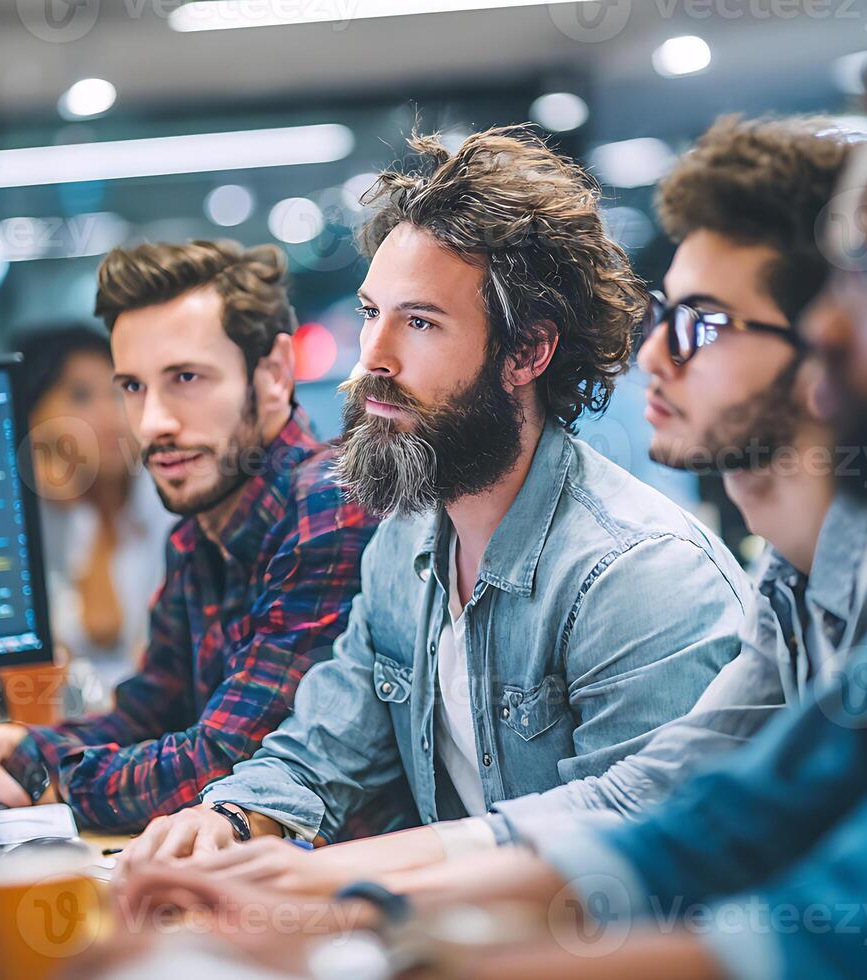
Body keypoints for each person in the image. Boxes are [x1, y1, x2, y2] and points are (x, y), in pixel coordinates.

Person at [119, 3, 867, 976]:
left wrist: (353, 944)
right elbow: (703, 822)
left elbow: (837, 933)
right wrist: (340, 912)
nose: (833, 327)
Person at [162, 115, 867, 895]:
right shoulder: (794, 589)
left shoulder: (683, 576)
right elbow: (654, 806)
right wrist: (265, 843)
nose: (655, 355)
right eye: (372, 314)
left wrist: (347, 899)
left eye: (703, 325)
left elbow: (669, 873)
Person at [116, 125, 753, 872]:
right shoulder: (405, 543)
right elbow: (321, 748)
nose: (371, 360)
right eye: (368, 313)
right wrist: (229, 815)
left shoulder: (641, 577)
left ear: (527, 352)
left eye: (418, 322)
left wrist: (333, 877)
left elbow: (629, 845)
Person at [0, 240, 381, 832]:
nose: (153, 422)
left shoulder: (328, 505)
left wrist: (50, 773)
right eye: (132, 387)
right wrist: (17, 748)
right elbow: (148, 713)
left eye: (186, 377)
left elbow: (224, 759)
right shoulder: (195, 536)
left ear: (272, 374)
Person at [13, 323, 176, 709]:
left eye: (120, 390)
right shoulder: (17, 522)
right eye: (81, 396)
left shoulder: (166, 499)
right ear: (31, 413)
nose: (110, 414)